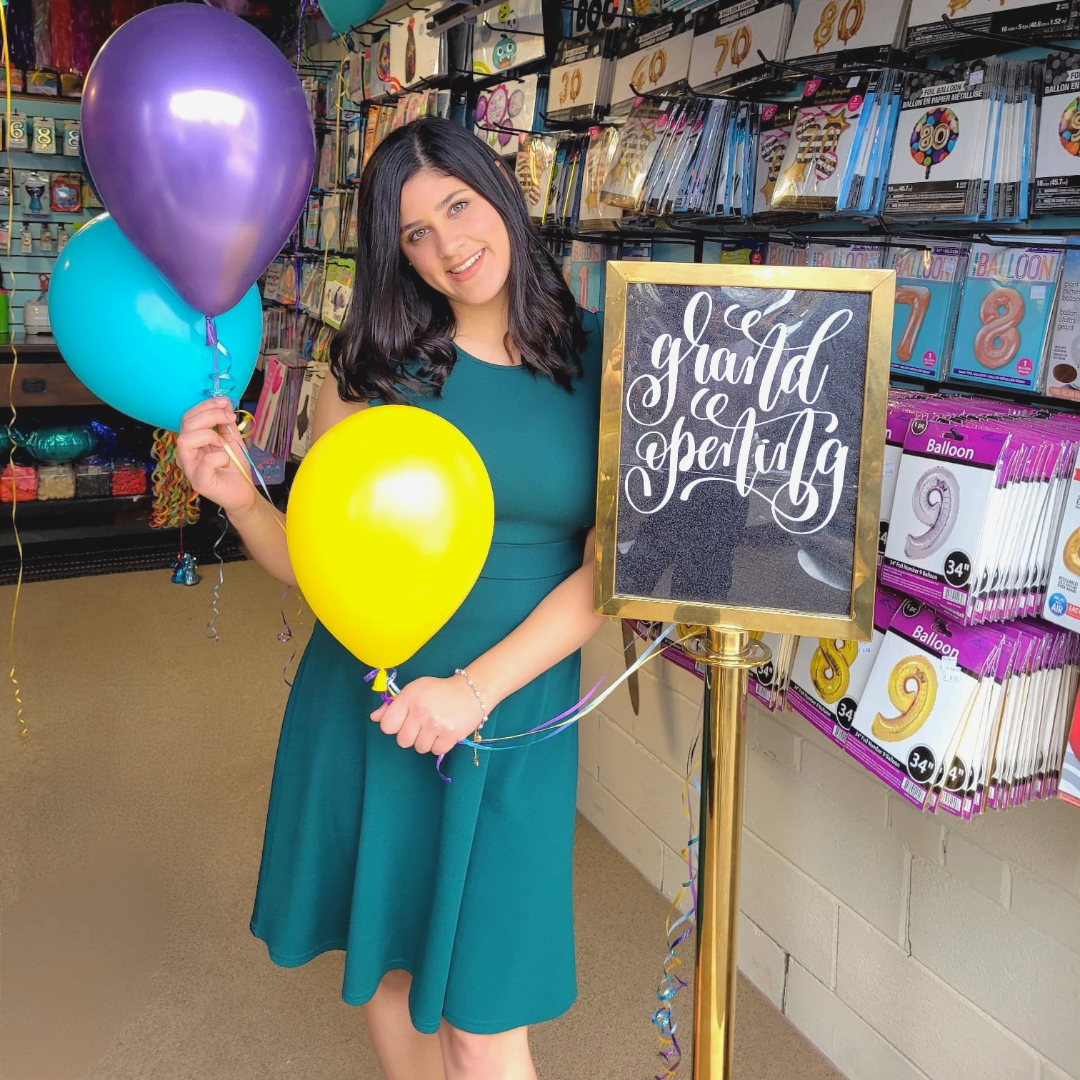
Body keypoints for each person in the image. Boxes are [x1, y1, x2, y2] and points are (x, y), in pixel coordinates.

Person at [175, 116, 607, 1080]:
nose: (449, 244)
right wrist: (243, 500)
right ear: (395, 252)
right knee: (398, 973)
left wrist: (475, 691)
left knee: (486, 1011)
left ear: (501, 191)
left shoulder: (603, 356)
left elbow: (612, 570)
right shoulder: (372, 369)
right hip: (379, 699)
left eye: (458, 205)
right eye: (416, 232)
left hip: (509, 707)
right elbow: (318, 566)